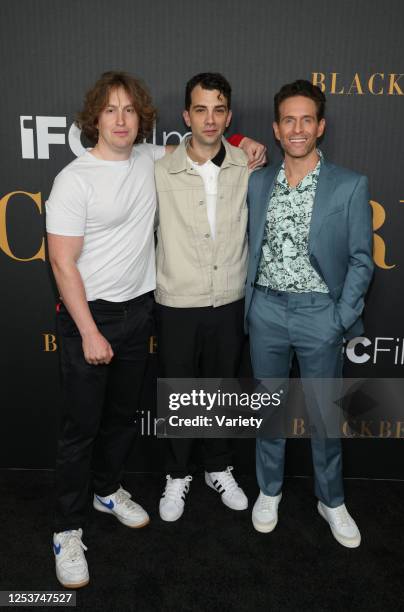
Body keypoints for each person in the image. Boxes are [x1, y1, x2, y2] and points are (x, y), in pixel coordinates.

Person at [46, 70, 265, 588]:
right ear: (94, 118)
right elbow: (60, 264)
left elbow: (205, 141)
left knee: (122, 419)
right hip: (90, 321)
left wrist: (241, 140)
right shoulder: (73, 179)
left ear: (141, 119)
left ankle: (108, 490)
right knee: (80, 431)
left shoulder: (150, 160)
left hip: (140, 313)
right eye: (110, 111)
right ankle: (67, 530)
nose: (121, 120)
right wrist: (90, 331)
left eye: (129, 111)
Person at [245, 79, 373, 547]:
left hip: (321, 313)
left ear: (319, 126)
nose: (296, 129)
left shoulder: (350, 184)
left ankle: (331, 500)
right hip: (266, 311)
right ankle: (269, 490)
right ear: (276, 130)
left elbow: (362, 258)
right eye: (287, 120)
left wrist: (338, 318)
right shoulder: (257, 183)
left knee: (324, 415)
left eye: (306, 120)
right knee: (268, 409)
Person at [155, 73, 258, 522]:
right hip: (177, 300)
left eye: (219, 110)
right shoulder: (158, 168)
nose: (210, 119)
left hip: (230, 296)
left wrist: (246, 143)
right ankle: (177, 475)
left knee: (221, 388)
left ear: (229, 116)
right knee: (180, 392)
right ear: (186, 116)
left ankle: (218, 466)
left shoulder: (247, 164)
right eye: (200, 109)